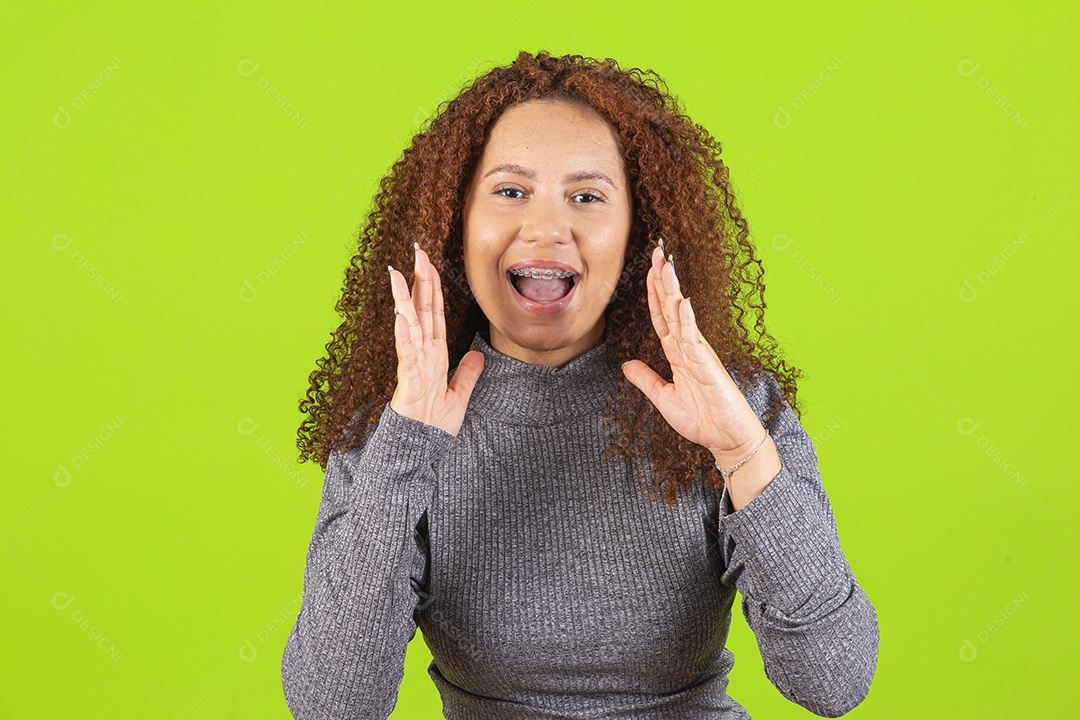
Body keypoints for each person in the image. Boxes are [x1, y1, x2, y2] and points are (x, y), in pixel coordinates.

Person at [281, 50, 879, 719]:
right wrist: (405, 450)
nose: (544, 228)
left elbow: (836, 681)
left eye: (587, 197)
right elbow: (331, 705)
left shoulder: (727, 407)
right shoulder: (395, 432)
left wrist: (743, 455)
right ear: (457, 220)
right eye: (510, 191)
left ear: (637, 233)